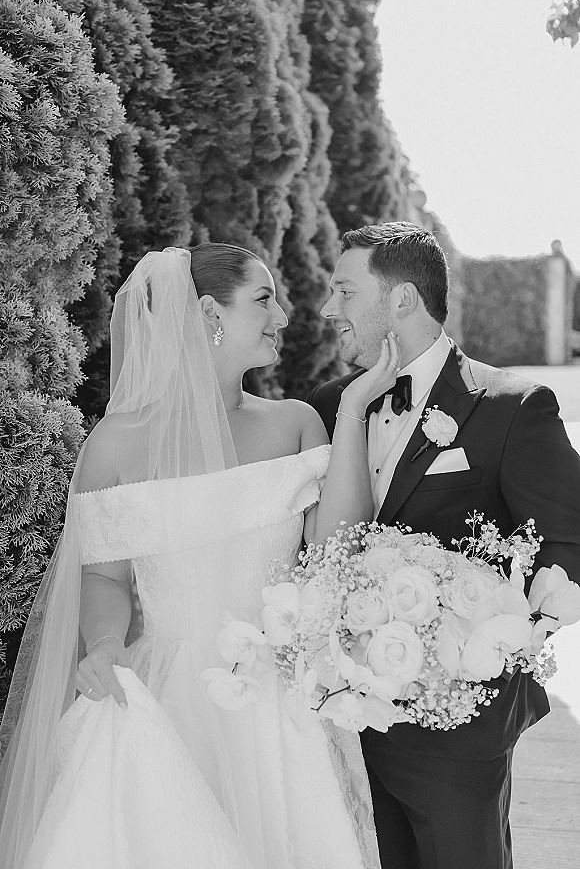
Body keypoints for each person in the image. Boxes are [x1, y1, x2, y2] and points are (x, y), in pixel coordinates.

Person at [0, 244, 400, 869]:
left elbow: (334, 552)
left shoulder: (297, 424)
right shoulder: (114, 444)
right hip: (165, 696)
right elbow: (103, 574)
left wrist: (351, 412)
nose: (285, 315)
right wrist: (105, 644)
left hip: (274, 703)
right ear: (211, 312)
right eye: (264, 299)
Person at [308, 221, 580, 869]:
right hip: (349, 729)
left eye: (344, 291)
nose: (326, 309)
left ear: (401, 301)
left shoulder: (513, 407)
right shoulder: (326, 409)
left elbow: (571, 545)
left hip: (460, 734)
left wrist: (496, 651)